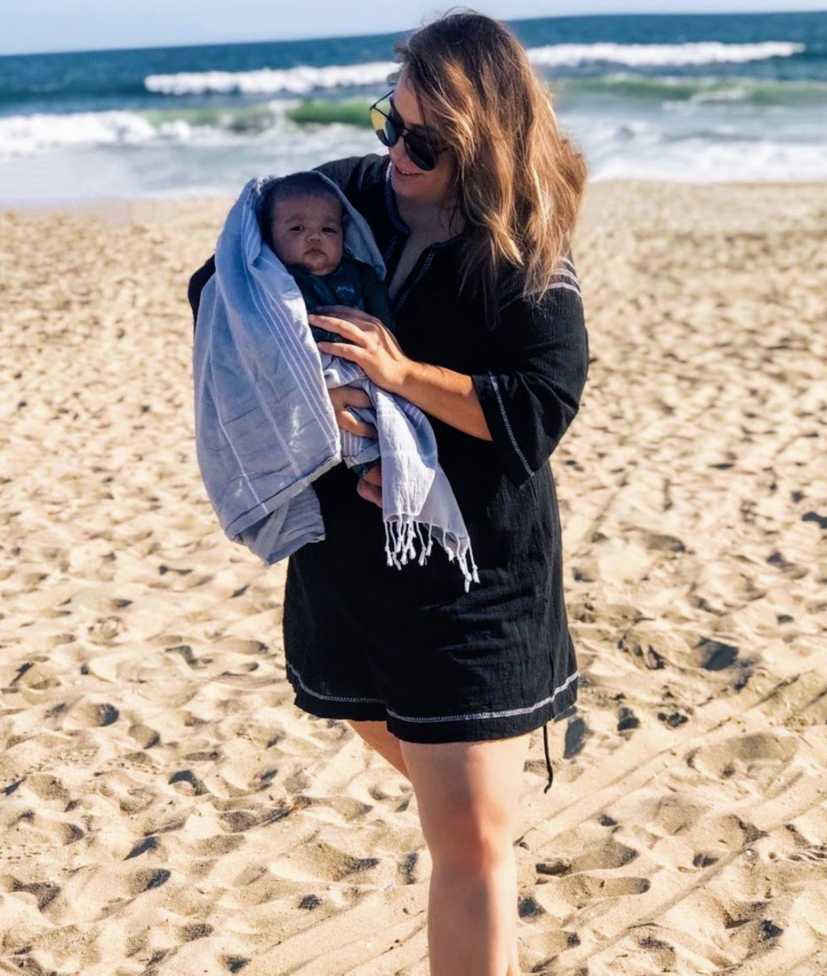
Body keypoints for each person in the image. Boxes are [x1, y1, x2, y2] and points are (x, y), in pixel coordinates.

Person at [187, 10, 589, 974]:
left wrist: (402, 380)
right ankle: (480, 799)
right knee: (456, 803)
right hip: (347, 563)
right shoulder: (348, 194)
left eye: (423, 141)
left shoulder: (522, 255)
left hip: (469, 568)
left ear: (485, 144)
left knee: (468, 846)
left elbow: (539, 406)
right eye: (389, 122)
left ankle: (480, 822)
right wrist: (312, 399)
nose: (394, 154)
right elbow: (221, 283)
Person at [257, 170, 395, 345]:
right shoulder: (271, 281)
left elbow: (384, 329)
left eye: (328, 229)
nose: (315, 237)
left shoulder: (363, 277)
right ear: (270, 237)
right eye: (297, 228)